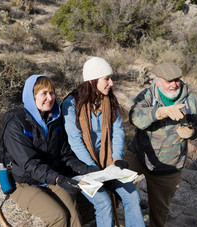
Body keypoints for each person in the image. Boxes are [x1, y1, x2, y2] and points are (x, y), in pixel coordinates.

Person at [62, 57, 145, 227]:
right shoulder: (71, 105)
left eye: (111, 78)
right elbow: (75, 142)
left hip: (109, 164)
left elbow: (117, 132)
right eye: (106, 78)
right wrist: (93, 170)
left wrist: (116, 159)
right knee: (104, 203)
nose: (111, 83)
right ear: (92, 81)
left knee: (133, 196)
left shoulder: (109, 101)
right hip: (82, 166)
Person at [4, 74, 96, 226]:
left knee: (74, 217)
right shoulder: (17, 125)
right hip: (24, 182)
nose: (50, 97)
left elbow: (65, 155)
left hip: (50, 177)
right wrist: (58, 179)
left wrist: (85, 169)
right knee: (58, 216)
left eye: (52, 93)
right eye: (44, 93)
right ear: (32, 97)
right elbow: (29, 164)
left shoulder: (54, 120)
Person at [125, 62, 197, 227]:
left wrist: (193, 133)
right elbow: (134, 118)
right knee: (112, 175)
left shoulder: (190, 101)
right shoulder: (148, 96)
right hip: (138, 156)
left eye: (177, 80)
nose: (174, 84)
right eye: (169, 81)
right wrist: (159, 112)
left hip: (167, 167)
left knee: (159, 213)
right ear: (157, 80)